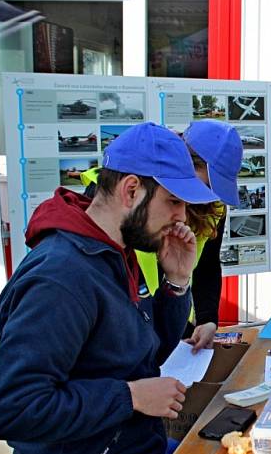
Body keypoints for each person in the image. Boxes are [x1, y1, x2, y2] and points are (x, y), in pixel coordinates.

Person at [0, 122, 215, 454]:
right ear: (130, 191)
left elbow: (142, 352)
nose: (182, 217)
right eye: (174, 202)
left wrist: (176, 283)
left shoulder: (114, 251)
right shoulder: (62, 276)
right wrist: (130, 397)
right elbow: (9, 408)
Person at [83, 120, 243, 351]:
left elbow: (207, 265)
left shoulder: (212, 207)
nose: (181, 215)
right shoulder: (113, 208)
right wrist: (132, 387)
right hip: (128, 333)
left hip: (169, 323)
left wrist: (207, 318)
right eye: (173, 200)